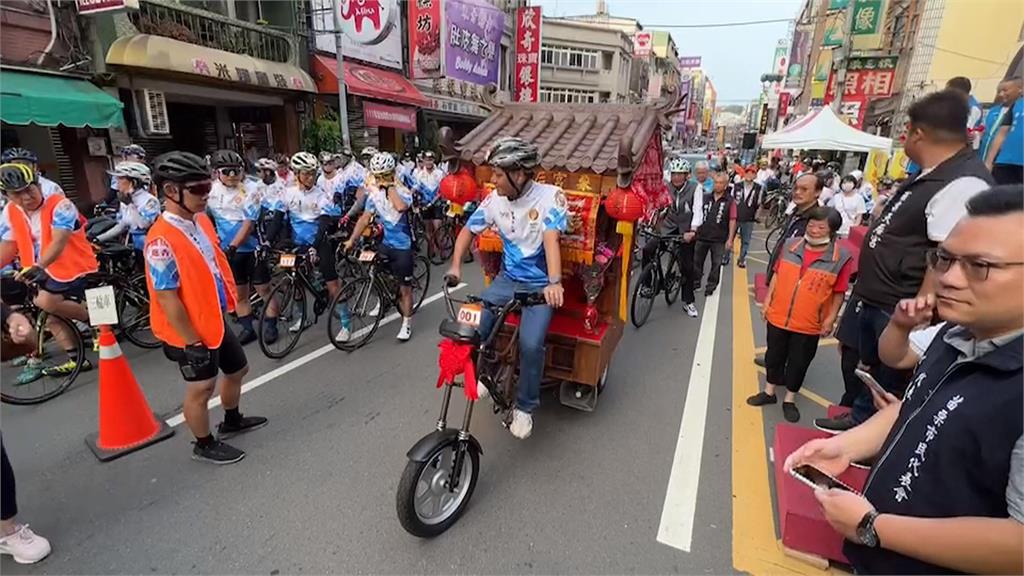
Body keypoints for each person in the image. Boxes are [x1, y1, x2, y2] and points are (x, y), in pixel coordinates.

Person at [786, 186, 1024, 575]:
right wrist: (845, 447)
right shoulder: (955, 334)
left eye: (979, 266)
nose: (948, 279)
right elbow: (913, 410)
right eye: (945, 260)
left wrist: (873, 527)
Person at [815, 89, 995, 433]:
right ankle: (859, 419)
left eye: (906, 130)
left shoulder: (964, 182)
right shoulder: (931, 173)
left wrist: (921, 313)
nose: (904, 137)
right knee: (867, 366)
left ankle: (870, 436)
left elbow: (945, 257)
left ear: (918, 133)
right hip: (880, 297)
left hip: (901, 304)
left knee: (890, 380)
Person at [144, 151, 267, 464]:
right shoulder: (161, 240)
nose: (206, 193)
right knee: (201, 388)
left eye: (207, 186)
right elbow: (166, 297)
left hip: (213, 318)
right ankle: (204, 443)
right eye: (197, 188)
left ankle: (232, 419)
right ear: (171, 191)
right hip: (188, 330)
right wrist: (191, 342)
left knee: (238, 369)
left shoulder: (199, 221)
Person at [446, 137, 567, 440]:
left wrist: (554, 283)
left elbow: (551, 239)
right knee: (468, 324)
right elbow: (466, 230)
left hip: (540, 286)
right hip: (505, 283)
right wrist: (455, 266)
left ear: (520, 174)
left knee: (530, 344)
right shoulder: (493, 200)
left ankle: (525, 407)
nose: (493, 179)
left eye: (499, 174)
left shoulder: (552, 196)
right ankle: (484, 375)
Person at [747, 207, 852, 422]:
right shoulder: (789, 245)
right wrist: (767, 302)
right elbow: (776, 275)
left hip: (809, 322)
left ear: (831, 231)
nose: (814, 230)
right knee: (773, 356)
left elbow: (839, 292)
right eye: (811, 225)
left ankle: (789, 399)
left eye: (821, 227)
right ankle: (769, 392)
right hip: (778, 315)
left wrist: (831, 319)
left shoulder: (840, 257)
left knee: (799, 362)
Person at [0, 163, 97, 377]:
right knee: (50, 316)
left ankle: (96, 322)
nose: (26, 197)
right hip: (39, 271)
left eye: (29, 189)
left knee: (45, 302)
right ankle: (76, 360)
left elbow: (59, 240)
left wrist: (38, 266)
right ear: (6, 195)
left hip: (72, 265)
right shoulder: (10, 212)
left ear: (38, 184)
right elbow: (8, 246)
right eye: (17, 194)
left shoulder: (61, 205)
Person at [344, 152, 416, 341]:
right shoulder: (374, 195)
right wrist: (352, 240)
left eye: (383, 175)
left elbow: (400, 207)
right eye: (376, 176)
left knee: (405, 289)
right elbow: (365, 218)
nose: (378, 179)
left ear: (391, 173)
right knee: (373, 271)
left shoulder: (403, 191)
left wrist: (389, 186)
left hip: (403, 246)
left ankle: (407, 322)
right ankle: (383, 297)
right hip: (385, 243)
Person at [280, 152, 343, 332]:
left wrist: (315, 246)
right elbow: (279, 219)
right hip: (298, 243)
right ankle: (302, 317)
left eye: (313, 173)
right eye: (306, 173)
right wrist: (271, 242)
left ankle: (346, 323)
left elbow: (324, 222)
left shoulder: (320, 193)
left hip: (319, 242)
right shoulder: (287, 193)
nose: (310, 177)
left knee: (331, 281)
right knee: (296, 280)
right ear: (297, 173)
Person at [207, 150, 263, 345]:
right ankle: (248, 329)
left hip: (251, 247)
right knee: (240, 294)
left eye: (236, 171)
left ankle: (271, 323)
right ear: (216, 173)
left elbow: (248, 223)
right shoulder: (211, 191)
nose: (232, 176)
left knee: (263, 289)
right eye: (226, 171)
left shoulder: (251, 188)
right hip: (227, 251)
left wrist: (232, 246)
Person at [653, 157, 703, 317]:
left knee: (687, 267)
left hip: (686, 229)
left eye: (680, 174)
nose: (676, 177)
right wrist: (648, 221)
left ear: (687, 175)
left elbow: (698, 211)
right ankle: (648, 285)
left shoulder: (696, 188)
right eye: (674, 174)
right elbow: (658, 206)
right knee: (649, 248)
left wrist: (693, 231)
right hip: (669, 226)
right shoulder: (666, 187)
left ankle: (688, 302)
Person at [765, 172, 824, 283]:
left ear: (818, 192)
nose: (797, 192)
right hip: (778, 275)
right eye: (795, 188)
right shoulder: (795, 211)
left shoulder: (817, 221)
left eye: (804, 189)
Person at [95, 162, 160, 254]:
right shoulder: (126, 200)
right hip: (136, 248)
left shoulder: (149, 201)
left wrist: (130, 205)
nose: (117, 183)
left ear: (133, 182)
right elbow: (122, 225)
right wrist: (98, 239)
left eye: (120, 178)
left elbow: (143, 225)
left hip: (152, 248)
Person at [693, 172, 737, 297]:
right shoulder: (706, 197)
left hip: (719, 239)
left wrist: (730, 239)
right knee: (697, 261)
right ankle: (696, 282)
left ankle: (711, 286)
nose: (717, 185)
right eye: (715, 182)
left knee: (716, 264)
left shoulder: (730, 201)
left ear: (725, 185)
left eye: (720, 183)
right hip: (702, 236)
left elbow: (732, 220)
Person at [985, 76, 1023, 185]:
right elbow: (1002, 134)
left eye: (1005, 90)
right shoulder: (1017, 105)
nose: (1001, 94)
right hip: (1005, 162)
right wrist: (989, 162)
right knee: (1000, 198)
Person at [411, 151, 446, 258]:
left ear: (433, 160)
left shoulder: (440, 173)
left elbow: (442, 189)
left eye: (430, 160)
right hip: (424, 204)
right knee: (428, 229)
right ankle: (432, 249)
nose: (428, 162)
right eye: (426, 160)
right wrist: (408, 194)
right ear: (424, 161)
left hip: (437, 204)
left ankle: (442, 250)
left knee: (437, 227)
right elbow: (415, 188)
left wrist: (435, 200)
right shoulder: (419, 174)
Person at [979, 78, 1020, 162]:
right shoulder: (993, 110)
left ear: (1019, 89)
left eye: (1005, 91)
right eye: (999, 91)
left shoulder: (1018, 113)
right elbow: (983, 129)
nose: (1001, 94)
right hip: (981, 158)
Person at [733, 165, 762, 268]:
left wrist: (757, 216)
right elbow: (731, 201)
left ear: (755, 175)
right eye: (748, 172)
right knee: (730, 237)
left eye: (752, 173)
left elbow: (759, 204)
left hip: (749, 218)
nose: (749, 174)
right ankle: (725, 256)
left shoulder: (758, 188)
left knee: (746, 241)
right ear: (744, 174)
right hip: (735, 217)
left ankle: (741, 259)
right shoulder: (737, 186)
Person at [946, 76, 984, 149]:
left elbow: (965, 131)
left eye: (948, 91)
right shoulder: (957, 104)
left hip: (964, 149)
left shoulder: (973, 108)